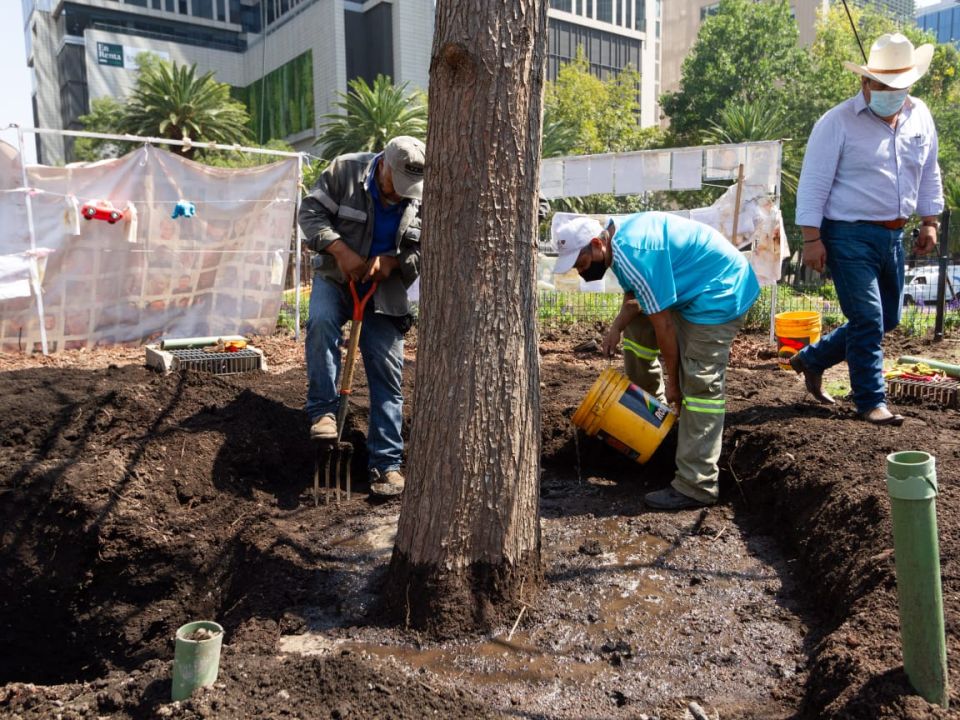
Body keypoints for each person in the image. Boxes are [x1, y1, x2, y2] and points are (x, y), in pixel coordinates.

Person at [553, 212, 760, 510]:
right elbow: (636, 294)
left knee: (699, 385)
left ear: (597, 244)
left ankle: (696, 484)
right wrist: (616, 328)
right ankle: (656, 420)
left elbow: (664, 327)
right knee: (637, 328)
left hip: (720, 290)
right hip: (692, 288)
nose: (582, 271)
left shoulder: (634, 252)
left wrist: (674, 383)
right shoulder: (618, 239)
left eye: (582, 263)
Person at [793, 33, 943, 426]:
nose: (892, 92)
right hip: (847, 233)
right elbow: (812, 183)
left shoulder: (920, 115)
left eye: (900, 85)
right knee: (869, 318)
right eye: (884, 85)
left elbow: (928, 172)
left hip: (894, 234)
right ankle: (871, 401)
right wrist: (812, 239)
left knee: (887, 317)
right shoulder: (836, 122)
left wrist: (930, 221)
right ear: (865, 83)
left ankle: (812, 359)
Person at [298, 136, 424, 496]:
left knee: (387, 369)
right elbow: (309, 213)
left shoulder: (423, 192)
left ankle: (386, 465)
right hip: (337, 278)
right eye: (395, 184)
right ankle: (323, 411)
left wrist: (395, 262)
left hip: (384, 289)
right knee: (321, 322)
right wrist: (340, 250)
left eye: (408, 188)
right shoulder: (344, 171)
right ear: (382, 163)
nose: (401, 194)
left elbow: (430, 245)